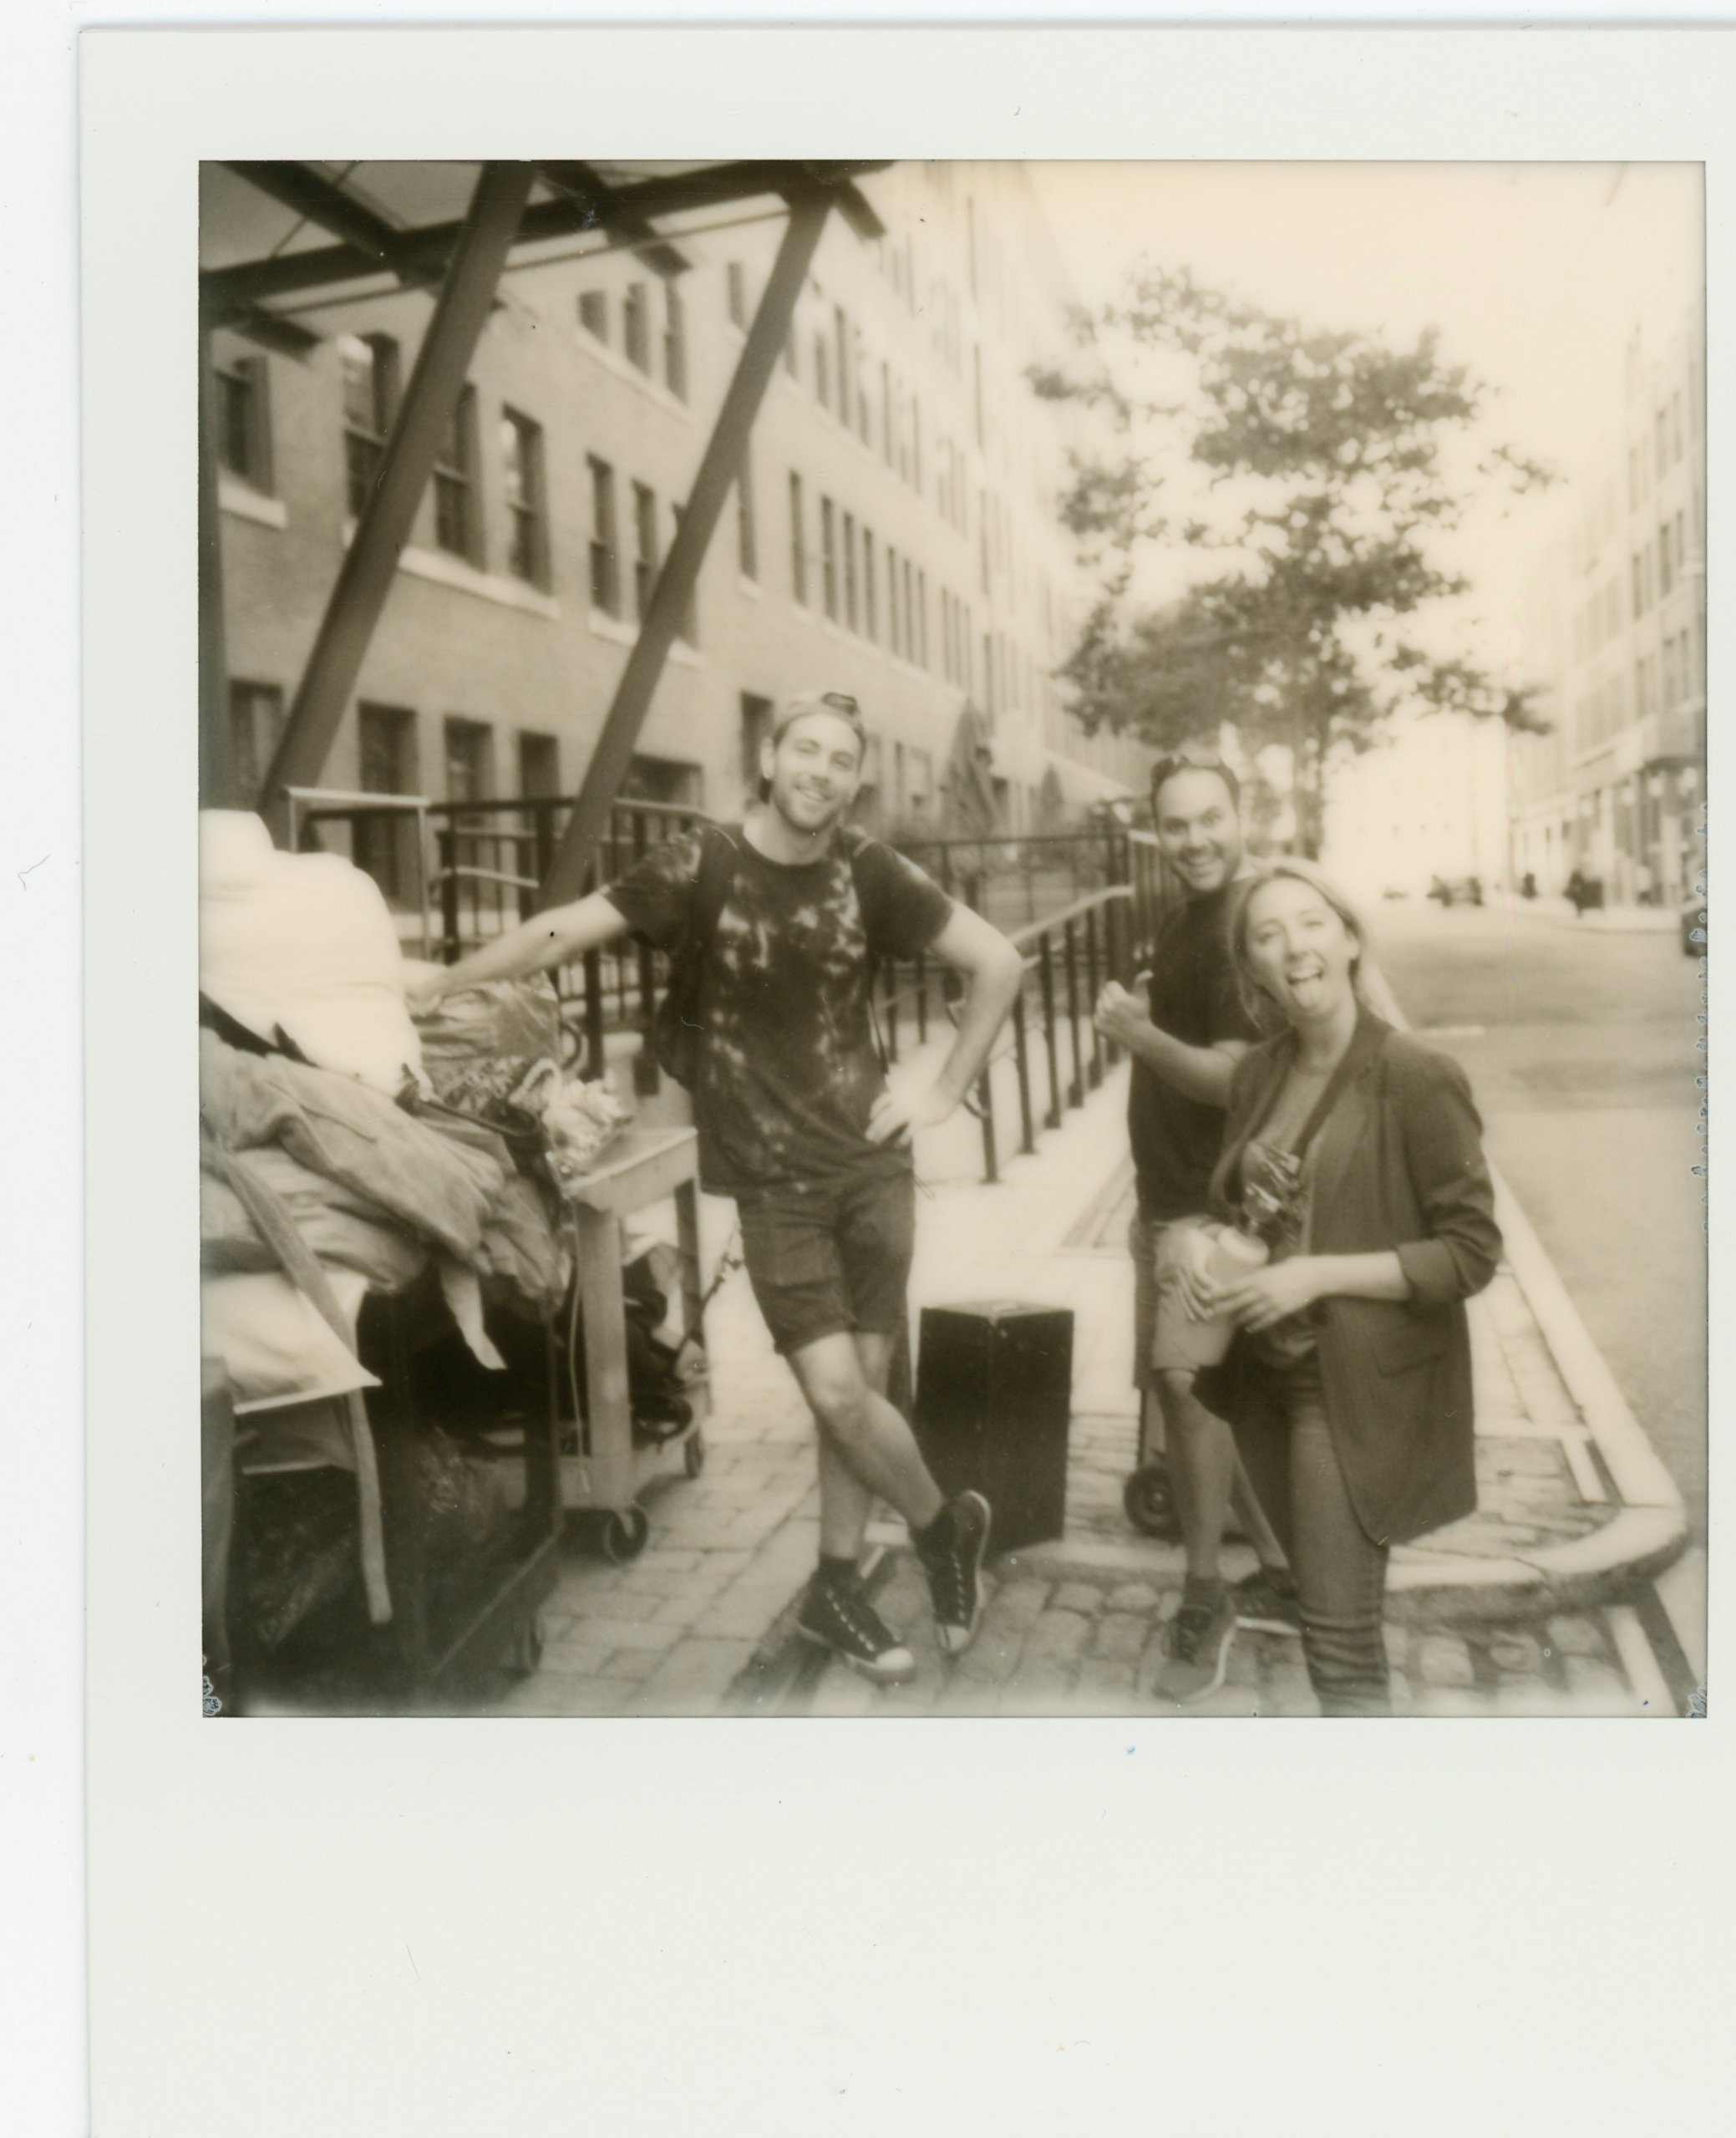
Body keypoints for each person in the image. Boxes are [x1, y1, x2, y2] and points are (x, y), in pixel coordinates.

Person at [418, 689, 1024, 1684]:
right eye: (805, 751)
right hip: (772, 1182)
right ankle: (941, 1526)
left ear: (855, 780)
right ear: (770, 755)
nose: (820, 773)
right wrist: (441, 986)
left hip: (871, 1166)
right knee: (834, 1389)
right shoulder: (702, 861)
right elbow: (564, 931)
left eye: (840, 760)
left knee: (856, 1397)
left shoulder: (867, 870)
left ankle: (834, 1586)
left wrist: (943, 1091)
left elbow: (996, 963)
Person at [1167, 858, 1502, 1716]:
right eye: (1266, 935)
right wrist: (1195, 1244)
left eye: (1311, 923)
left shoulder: (1414, 1074)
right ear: (1250, 967)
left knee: (1339, 1642)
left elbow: (1468, 1252)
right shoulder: (1256, 1074)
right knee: (1327, 1628)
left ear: (1349, 938)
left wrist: (1314, 1275)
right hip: (1263, 1381)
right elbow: (1235, 1209)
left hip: (1346, 1388)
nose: (1293, 947)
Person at [1093, 754, 1297, 1704]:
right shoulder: (1183, 918)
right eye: (1174, 825)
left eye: (1209, 818)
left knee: (1185, 1387)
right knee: (1201, 1396)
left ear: (1239, 815)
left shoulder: (1243, 923)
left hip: (1208, 1206)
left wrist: (1134, 1035)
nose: (1194, 840)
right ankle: (1278, 1562)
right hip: (1164, 1193)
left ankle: (1203, 1592)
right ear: (1155, 831)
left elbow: (1232, 1078)